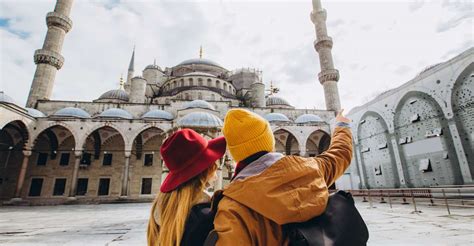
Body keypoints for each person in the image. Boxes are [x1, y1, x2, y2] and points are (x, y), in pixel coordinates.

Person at [212, 108, 353, 245]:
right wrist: (342, 125)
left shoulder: (232, 208)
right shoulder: (311, 169)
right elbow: (339, 154)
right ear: (269, 141)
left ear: (235, 153)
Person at [147, 129, 226, 246]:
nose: (215, 176)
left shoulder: (160, 209)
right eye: (213, 166)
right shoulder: (204, 217)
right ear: (204, 171)